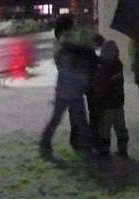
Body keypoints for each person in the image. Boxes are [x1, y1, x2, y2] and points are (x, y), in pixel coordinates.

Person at [39, 16, 96, 158]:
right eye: (73, 25)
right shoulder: (70, 48)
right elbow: (75, 70)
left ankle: (45, 142)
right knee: (80, 120)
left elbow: (64, 66)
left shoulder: (63, 46)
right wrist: (84, 79)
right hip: (73, 91)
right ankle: (85, 146)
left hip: (64, 90)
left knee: (58, 118)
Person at [90, 40, 130, 157]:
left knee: (105, 127)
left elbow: (102, 85)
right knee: (120, 126)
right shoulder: (118, 65)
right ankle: (123, 148)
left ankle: (104, 149)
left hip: (107, 103)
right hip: (118, 102)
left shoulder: (105, 68)